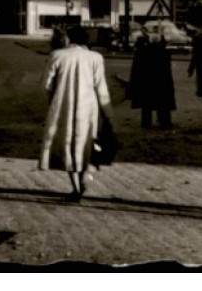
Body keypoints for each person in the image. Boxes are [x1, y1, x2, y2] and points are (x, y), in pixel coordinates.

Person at [39, 24, 112, 201]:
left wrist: (53, 99)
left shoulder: (57, 55)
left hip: (63, 107)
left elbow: (45, 85)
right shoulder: (95, 58)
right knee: (85, 144)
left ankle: (76, 188)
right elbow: (101, 87)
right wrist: (107, 113)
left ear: (69, 39)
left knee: (68, 146)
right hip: (88, 108)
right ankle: (83, 178)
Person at [128, 33, 176, 128]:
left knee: (146, 104)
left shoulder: (142, 52)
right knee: (162, 103)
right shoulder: (164, 53)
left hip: (146, 82)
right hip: (161, 82)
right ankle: (164, 122)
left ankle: (146, 123)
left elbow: (136, 69)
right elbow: (167, 70)